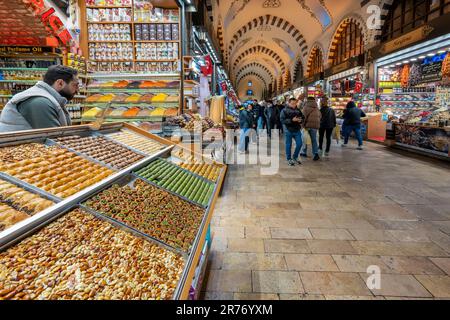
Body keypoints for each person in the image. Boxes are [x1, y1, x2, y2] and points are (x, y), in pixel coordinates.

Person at [0, 65, 79, 132]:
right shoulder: (40, 102)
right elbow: (54, 138)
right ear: (60, 83)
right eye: (75, 85)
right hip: (17, 149)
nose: (77, 90)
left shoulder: (46, 97)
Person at [280, 98, 303, 166]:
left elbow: (302, 117)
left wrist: (300, 120)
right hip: (288, 130)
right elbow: (282, 120)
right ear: (288, 103)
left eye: (295, 103)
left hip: (297, 130)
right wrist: (292, 120)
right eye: (292, 103)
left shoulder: (298, 110)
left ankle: (295, 157)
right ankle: (289, 158)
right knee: (288, 145)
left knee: (299, 143)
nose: (294, 105)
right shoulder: (284, 110)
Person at [302, 97, 322, 161]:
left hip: (307, 126)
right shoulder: (317, 108)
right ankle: (315, 153)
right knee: (314, 140)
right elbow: (320, 116)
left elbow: (303, 117)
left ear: (307, 100)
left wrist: (302, 125)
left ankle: (304, 152)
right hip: (315, 126)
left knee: (305, 138)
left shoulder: (305, 107)